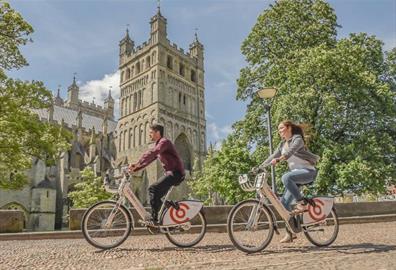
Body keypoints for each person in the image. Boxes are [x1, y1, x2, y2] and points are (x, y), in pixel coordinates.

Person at [257, 120, 320, 243]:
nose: (280, 131)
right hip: (296, 177)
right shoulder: (282, 145)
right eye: (278, 129)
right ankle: (290, 233)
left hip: (308, 172)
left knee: (286, 177)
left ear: (289, 128)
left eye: (282, 128)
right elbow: (272, 156)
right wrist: (260, 166)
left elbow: (291, 151)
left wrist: (280, 159)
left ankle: (302, 202)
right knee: (283, 204)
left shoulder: (297, 139)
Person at [128, 124, 185, 225]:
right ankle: (170, 208)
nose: (149, 135)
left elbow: (153, 152)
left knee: (152, 189)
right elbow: (150, 160)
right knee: (156, 195)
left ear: (157, 133)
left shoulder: (164, 142)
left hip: (175, 173)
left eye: (151, 132)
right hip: (171, 173)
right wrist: (136, 167)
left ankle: (154, 220)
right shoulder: (160, 144)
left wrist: (137, 164)